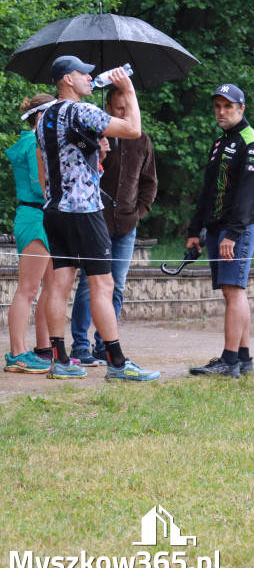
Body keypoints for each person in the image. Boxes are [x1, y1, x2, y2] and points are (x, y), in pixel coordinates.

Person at [35, 55, 160, 381]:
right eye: (84, 74)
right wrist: (128, 88)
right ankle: (117, 363)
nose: (91, 79)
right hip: (85, 212)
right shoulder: (81, 111)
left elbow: (51, 167)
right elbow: (133, 129)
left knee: (59, 285)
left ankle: (60, 360)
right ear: (67, 80)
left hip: (54, 210)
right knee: (104, 286)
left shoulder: (44, 115)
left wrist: (96, 152)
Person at [69, 87, 158, 366]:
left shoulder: (142, 140)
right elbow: (79, 174)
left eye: (127, 108)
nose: (124, 113)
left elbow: (149, 182)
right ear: (108, 107)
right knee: (88, 285)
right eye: (119, 109)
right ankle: (80, 345)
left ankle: (103, 345)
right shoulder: (92, 135)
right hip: (96, 221)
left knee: (116, 286)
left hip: (126, 223)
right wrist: (99, 153)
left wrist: (139, 212)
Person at [187, 84, 254, 379]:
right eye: (218, 107)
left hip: (240, 227)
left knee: (235, 290)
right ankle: (243, 359)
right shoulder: (220, 143)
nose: (221, 112)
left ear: (241, 108)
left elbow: (249, 194)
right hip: (216, 226)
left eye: (228, 107)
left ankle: (229, 361)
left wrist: (233, 234)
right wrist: (195, 229)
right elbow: (208, 190)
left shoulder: (252, 141)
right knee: (233, 292)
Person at [4, 94, 59, 373]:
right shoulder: (32, 143)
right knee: (28, 289)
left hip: (45, 217)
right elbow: (40, 187)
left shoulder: (43, 142)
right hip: (34, 217)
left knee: (50, 289)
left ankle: (44, 349)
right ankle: (17, 353)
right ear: (41, 117)